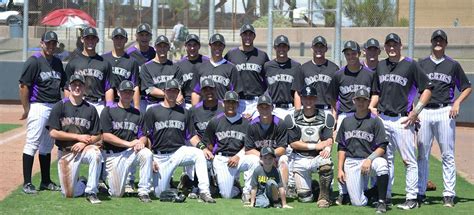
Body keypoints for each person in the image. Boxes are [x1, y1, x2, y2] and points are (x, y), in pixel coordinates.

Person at [370, 33, 433, 210]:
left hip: (402, 119)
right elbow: (376, 92)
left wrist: (416, 111)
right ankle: (386, 196)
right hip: (383, 118)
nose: (391, 48)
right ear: (385, 47)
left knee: (408, 160)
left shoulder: (411, 64)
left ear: (400, 46)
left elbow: (427, 89)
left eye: (394, 45)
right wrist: (371, 107)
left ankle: (412, 198)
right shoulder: (381, 66)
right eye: (388, 45)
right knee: (385, 160)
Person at [417, 29, 472, 207]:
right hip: (424, 111)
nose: (438, 42)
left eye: (441, 40)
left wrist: (457, 103)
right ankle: (420, 191)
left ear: (446, 44)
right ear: (431, 42)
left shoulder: (453, 65)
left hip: (445, 111)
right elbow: (413, 86)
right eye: (435, 40)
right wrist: (415, 107)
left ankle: (449, 194)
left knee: (447, 154)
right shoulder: (422, 63)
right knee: (422, 153)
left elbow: (466, 87)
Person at [144, 79, 216, 203]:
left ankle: (204, 191)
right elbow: (146, 136)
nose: (172, 94)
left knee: (198, 154)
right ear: (165, 91)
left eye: (175, 91)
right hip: (159, 156)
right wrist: (151, 158)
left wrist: (203, 148)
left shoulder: (184, 112)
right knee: (159, 193)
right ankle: (176, 187)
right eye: (170, 91)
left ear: (178, 93)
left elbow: (191, 136)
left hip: (178, 152)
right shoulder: (152, 110)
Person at [19, 31, 65, 194]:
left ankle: (45, 181)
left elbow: (63, 86)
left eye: (54, 43)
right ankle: (27, 183)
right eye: (48, 43)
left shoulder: (58, 63)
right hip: (38, 105)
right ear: (41, 43)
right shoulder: (34, 61)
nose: (51, 46)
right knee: (32, 143)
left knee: (47, 145)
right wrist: (27, 109)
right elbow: (24, 86)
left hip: (54, 106)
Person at [46, 74, 103, 204]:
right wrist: (77, 137)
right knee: (68, 194)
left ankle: (91, 191)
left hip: (84, 149)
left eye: (80, 85)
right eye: (74, 84)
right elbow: (53, 132)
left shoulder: (91, 109)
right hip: (66, 152)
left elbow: (98, 135)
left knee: (96, 154)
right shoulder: (60, 106)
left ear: (84, 88)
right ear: (69, 87)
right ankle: (82, 181)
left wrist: (84, 143)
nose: (77, 87)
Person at [336, 88, 390, 213]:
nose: (361, 103)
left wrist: (369, 159)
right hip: (352, 161)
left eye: (364, 100)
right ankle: (372, 193)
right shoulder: (346, 121)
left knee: (382, 164)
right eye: (358, 99)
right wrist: (340, 169)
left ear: (369, 102)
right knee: (358, 203)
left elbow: (382, 146)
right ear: (353, 101)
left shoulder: (375, 121)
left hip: (369, 160)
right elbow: (341, 147)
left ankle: (382, 202)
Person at [201, 91, 260, 203]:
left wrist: (238, 156)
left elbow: (249, 145)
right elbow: (207, 141)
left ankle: (247, 191)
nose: (231, 105)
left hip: (239, 158)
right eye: (228, 102)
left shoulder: (246, 123)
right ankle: (237, 187)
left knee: (255, 160)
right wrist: (214, 154)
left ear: (238, 104)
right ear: (223, 103)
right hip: (222, 159)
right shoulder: (215, 121)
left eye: (233, 103)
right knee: (226, 195)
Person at [100, 80, 153, 203]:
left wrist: (141, 142)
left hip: (131, 152)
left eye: (130, 92)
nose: (127, 95)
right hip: (114, 155)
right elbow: (106, 136)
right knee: (117, 193)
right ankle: (84, 181)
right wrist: (129, 143)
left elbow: (144, 135)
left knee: (146, 154)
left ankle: (143, 191)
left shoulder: (138, 113)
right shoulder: (108, 110)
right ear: (118, 93)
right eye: (124, 92)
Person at [286, 85, 335, 208]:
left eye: (311, 98)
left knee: (326, 162)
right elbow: (293, 143)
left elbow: (329, 138)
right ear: (301, 99)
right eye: (306, 98)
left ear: (316, 99)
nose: (308, 101)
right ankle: (315, 187)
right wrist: (317, 145)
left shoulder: (326, 116)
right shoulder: (292, 117)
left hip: (317, 157)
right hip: (300, 158)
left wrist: (327, 149)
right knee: (305, 199)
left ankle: (324, 196)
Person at [182, 78, 224, 198]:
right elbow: (191, 134)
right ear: (201, 92)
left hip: (221, 147)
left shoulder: (224, 107)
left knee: (225, 191)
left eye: (211, 88)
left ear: (216, 89)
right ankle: (196, 186)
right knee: (200, 155)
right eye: (205, 89)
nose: (209, 92)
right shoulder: (194, 110)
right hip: (202, 146)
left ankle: (220, 183)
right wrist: (202, 147)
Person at [225, 24, 269, 119]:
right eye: (245, 34)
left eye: (250, 34)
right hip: (237, 101)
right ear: (241, 35)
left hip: (256, 101)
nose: (247, 37)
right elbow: (225, 75)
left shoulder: (262, 55)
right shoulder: (231, 54)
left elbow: (268, 80)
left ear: (254, 36)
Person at [64, 27, 113, 115]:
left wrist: (109, 107)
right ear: (82, 39)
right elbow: (67, 87)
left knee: (99, 129)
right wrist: (68, 105)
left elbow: (108, 88)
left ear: (97, 40)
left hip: (99, 104)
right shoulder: (73, 62)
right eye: (87, 38)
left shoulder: (104, 63)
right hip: (79, 102)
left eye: (93, 38)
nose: (90, 41)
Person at [245, 95, 289, 190]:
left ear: (272, 108)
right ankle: (250, 191)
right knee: (253, 161)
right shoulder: (252, 125)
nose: (264, 109)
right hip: (258, 157)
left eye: (267, 107)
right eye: (261, 107)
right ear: (257, 108)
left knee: (284, 160)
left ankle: (282, 192)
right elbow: (248, 150)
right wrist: (265, 158)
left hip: (275, 156)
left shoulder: (280, 123)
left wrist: (270, 157)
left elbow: (283, 148)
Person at [292, 36, 339, 116]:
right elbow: (297, 92)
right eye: (316, 46)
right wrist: (298, 113)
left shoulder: (334, 68)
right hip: (307, 110)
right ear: (312, 48)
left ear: (326, 49)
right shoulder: (303, 68)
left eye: (321, 47)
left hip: (327, 110)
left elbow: (336, 95)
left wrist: (335, 115)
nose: (319, 49)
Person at [191, 33, 240, 104]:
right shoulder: (200, 67)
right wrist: (195, 111)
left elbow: (235, 93)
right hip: (204, 110)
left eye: (220, 45)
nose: (217, 47)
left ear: (224, 47)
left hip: (222, 111)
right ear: (210, 46)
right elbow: (196, 93)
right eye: (215, 44)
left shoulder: (231, 68)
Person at [140, 35, 183, 110]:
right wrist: (171, 95)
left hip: (172, 104)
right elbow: (150, 90)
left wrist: (179, 96)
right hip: (153, 104)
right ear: (155, 48)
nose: (162, 49)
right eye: (159, 46)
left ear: (168, 48)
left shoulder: (175, 67)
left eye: (165, 46)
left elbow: (179, 87)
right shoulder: (146, 67)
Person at [263, 35, 300, 120]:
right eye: (279, 46)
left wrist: (297, 111)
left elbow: (298, 91)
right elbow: (264, 86)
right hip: (274, 109)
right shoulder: (268, 66)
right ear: (275, 48)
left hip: (291, 109)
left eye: (284, 46)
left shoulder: (296, 66)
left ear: (288, 48)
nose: (281, 49)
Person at [102, 27, 140, 108]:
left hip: (125, 102)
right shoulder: (104, 59)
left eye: (121, 38)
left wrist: (137, 107)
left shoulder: (132, 61)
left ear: (126, 40)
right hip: (105, 101)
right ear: (112, 39)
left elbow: (135, 85)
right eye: (116, 38)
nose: (119, 41)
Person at [126, 23, 156, 113]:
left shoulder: (154, 53)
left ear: (150, 37)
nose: (144, 38)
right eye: (141, 35)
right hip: (134, 98)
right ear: (136, 36)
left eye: (147, 35)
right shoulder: (129, 54)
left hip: (152, 98)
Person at [175, 34, 209, 109]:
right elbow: (177, 83)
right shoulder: (179, 65)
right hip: (185, 103)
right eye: (189, 45)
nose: (192, 48)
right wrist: (178, 94)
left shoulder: (207, 62)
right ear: (185, 46)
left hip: (203, 102)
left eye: (195, 45)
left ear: (199, 46)